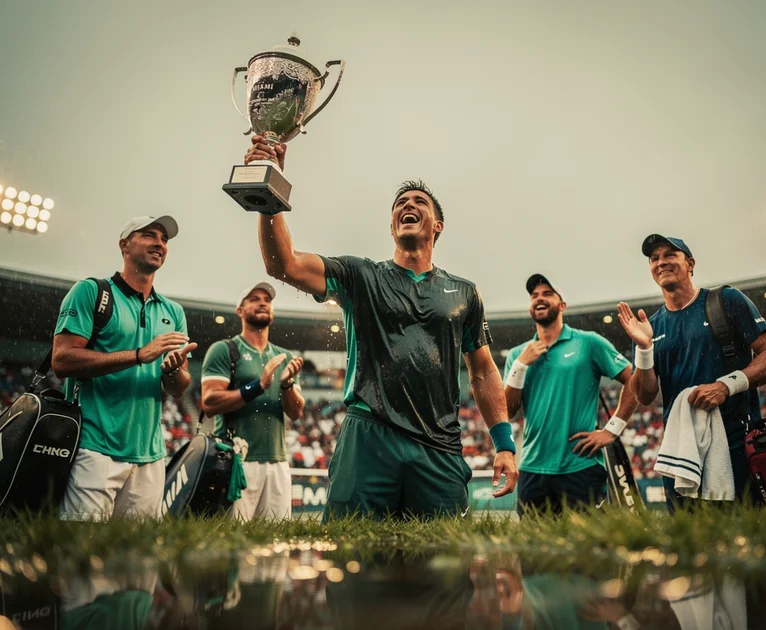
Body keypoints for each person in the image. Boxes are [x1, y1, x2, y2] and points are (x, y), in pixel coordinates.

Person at [243, 135, 518, 519]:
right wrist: (268, 189)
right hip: (368, 437)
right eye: (400, 204)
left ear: (437, 226)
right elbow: (283, 264)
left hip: (439, 447)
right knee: (349, 559)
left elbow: (484, 370)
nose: (408, 205)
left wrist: (504, 443)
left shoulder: (464, 293)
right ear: (392, 226)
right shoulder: (361, 275)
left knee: (442, 568)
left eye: (419, 202)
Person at [617, 234, 766, 511]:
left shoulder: (725, 301)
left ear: (690, 263)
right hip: (681, 454)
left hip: (737, 448)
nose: (661, 262)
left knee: (744, 538)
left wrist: (725, 386)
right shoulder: (650, 326)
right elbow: (645, 395)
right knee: (689, 547)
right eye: (654, 258)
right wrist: (644, 349)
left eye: (670, 255)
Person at [52, 216, 195, 520]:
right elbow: (62, 360)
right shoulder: (92, 292)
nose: (159, 243)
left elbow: (178, 388)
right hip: (94, 448)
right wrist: (140, 354)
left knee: (139, 560)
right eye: (149, 235)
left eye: (164, 239)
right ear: (124, 245)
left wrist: (172, 371)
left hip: (150, 457)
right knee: (81, 553)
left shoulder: (174, 312)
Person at [504, 274, 638, 515]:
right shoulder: (517, 355)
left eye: (547, 294)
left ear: (562, 305)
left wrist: (612, 430)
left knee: (589, 548)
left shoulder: (588, 342)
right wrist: (520, 366)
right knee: (534, 550)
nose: (539, 299)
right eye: (534, 296)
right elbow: (507, 411)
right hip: (533, 469)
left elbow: (634, 380)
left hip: (581, 466)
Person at [201, 282, 305, 521]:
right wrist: (258, 386)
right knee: (233, 543)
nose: (262, 303)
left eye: (267, 300)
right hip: (237, 460)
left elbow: (296, 412)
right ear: (240, 310)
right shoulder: (224, 349)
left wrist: (287, 385)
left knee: (277, 544)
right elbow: (210, 402)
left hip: (278, 462)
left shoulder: (284, 356)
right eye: (254, 299)